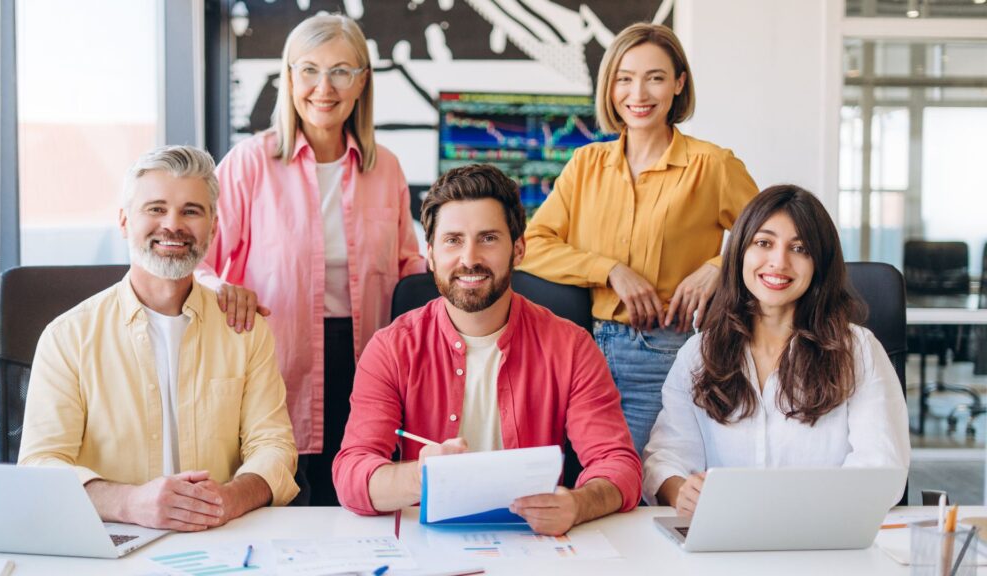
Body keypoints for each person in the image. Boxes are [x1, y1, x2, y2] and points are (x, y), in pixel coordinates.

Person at [332, 164, 641, 536]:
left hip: (534, 543)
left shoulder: (572, 347)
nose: (469, 258)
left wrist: (578, 504)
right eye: (453, 240)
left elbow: (619, 465)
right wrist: (420, 477)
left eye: (489, 238)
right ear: (430, 255)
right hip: (424, 545)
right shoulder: (390, 348)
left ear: (519, 249)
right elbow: (351, 474)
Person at [195, 15, 425, 505]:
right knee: (286, 498)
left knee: (360, 497)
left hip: (369, 359)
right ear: (290, 77)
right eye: (310, 70)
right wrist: (222, 291)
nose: (325, 87)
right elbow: (200, 263)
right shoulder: (250, 163)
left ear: (363, 81)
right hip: (279, 358)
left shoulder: (385, 167)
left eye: (342, 71)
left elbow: (411, 268)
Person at [18, 145, 299, 531]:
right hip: (112, 539)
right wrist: (130, 502)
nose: (173, 224)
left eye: (191, 211)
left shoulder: (244, 330)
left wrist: (229, 499)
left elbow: (275, 447)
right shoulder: (68, 337)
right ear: (123, 222)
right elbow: (40, 465)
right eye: (155, 208)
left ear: (214, 227)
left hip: (221, 538)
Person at [520, 23, 760, 455]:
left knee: (637, 483)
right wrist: (610, 270)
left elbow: (774, 241)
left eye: (655, 77)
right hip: (583, 348)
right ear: (610, 86)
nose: (639, 93)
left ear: (679, 84)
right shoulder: (585, 164)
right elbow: (531, 244)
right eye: (625, 78)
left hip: (664, 349)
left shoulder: (713, 165)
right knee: (581, 476)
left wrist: (718, 268)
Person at [642, 185, 911, 516]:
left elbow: (881, 468)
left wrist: (796, 512)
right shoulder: (699, 353)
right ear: (741, 251)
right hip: (724, 540)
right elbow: (667, 456)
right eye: (764, 243)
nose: (779, 262)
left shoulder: (857, 351)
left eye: (799, 248)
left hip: (826, 539)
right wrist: (681, 490)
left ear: (819, 264)